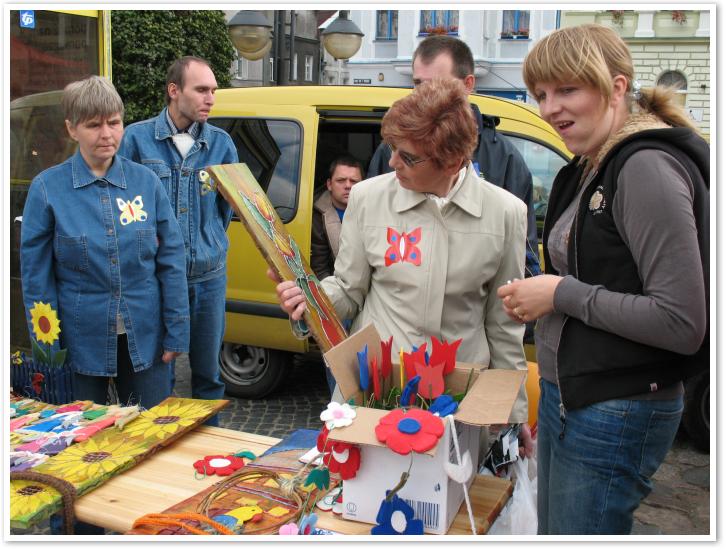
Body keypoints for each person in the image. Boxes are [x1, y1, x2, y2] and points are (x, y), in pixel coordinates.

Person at [497, 24, 709, 535]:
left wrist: (559, 293)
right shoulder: (590, 163)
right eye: (541, 94)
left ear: (616, 88)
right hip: (573, 400)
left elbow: (682, 321)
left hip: (614, 411)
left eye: (567, 89)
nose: (549, 108)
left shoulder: (644, 168)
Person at [273, 78, 531, 443]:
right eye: (392, 148)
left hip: (457, 396)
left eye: (407, 156)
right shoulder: (367, 198)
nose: (392, 162)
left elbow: (503, 326)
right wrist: (310, 298)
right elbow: (348, 290)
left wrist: (512, 413)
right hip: (377, 388)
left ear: (453, 161)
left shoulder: (506, 213)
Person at [21, 76, 189, 411]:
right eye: (93, 125)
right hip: (79, 337)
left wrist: (176, 329)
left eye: (114, 123)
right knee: (82, 436)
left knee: (148, 430)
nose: (106, 134)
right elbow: (37, 278)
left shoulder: (146, 183)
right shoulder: (47, 190)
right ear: (72, 129)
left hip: (145, 333)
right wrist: (48, 346)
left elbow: (171, 260)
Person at [119, 56, 239, 426]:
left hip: (208, 277)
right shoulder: (136, 141)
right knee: (160, 376)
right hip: (155, 282)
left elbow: (227, 210)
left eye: (213, 91)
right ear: (174, 91)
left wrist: (207, 241)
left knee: (208, 376)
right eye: (201, 89)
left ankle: (211, 452)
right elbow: (119, 205)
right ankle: (163, 454)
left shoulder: (221, 145)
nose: (210, 98)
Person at [367, 35, 540, 280]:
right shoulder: (391, 150)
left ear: (467, 84)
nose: (423, 95)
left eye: (436, 84)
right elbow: (369, 236)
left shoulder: (505, 157)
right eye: (418, 84)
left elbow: (522, 258)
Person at [311, 155, 365, 281]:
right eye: (341, 180)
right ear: (329, 184)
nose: (348, 186)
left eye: (354, 181)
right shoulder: (317, 217)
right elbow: (320, 269)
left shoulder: (376, 212)